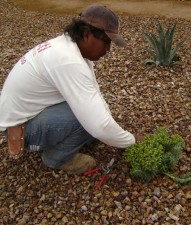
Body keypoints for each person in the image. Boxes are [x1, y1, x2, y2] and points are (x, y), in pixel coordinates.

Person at [0, 4, 140, 174]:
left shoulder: (68, 48)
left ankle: (68, 138)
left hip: (27, 118)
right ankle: (57, 158)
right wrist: (131, 141)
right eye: (106, 41)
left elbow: (93, 93)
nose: (108, 49)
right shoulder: (68, 60)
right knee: (86, 120)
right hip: (21, 131)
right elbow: (98, 124)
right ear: (87, 34)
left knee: (91, 114)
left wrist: (110, 129)